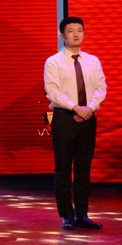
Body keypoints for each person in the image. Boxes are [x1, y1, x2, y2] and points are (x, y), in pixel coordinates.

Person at [44, 16, 106, 230]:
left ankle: (82, 214)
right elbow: (52, 91)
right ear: (62, 35)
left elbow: (101, 88)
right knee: (63, 168)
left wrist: (89, 108)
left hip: (88, 117)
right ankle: (67, 215)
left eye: (79, 30)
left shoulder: (93, 61)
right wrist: (75, 108)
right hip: (64, 118)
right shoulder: (53, 62)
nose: (76, 34)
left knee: (83, 169)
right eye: (71, 31)